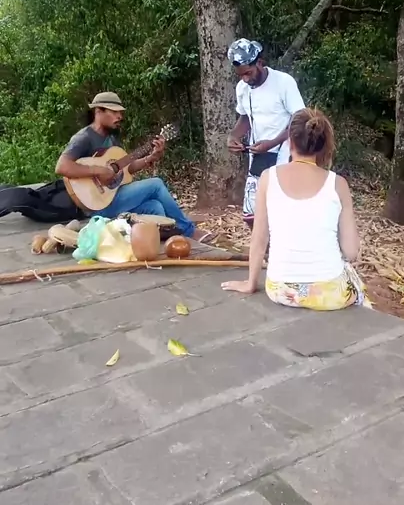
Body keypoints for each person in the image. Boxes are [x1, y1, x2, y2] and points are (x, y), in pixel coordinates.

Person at [222, 107, 369, 310]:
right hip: (329, 293)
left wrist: (250, 284)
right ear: (322, 145)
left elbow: (259, 238)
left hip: (280, 290)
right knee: (357, 286)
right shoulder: (338, 184)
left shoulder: (267, 177)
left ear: (290, 141)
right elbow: (351, 252)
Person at [55, 91, 210, 241]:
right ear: (98, 111)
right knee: (156, 184)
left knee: (155, 207)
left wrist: (150, 157)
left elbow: (127, 169)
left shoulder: (111, 137)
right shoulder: (84, 137)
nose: (120, 116)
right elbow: (62, 166)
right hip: (97, 206)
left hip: (114, 197)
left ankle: (159, 239)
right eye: (114, 112)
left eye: (120, 113)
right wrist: (99, 170)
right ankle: (189, 231)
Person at [227, 39, 304, 228]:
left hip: (285, 155)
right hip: (259, 156)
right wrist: (233, 136)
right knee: (252, 215)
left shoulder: (283, 82)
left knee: (281, 214)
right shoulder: (242, 88)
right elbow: (245, 117)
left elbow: (301, 121)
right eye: (240, 75)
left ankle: (278, 246)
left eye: (248, 73)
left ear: (260, 63)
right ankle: (264, 245)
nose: (245, 79)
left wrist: (273, 142)